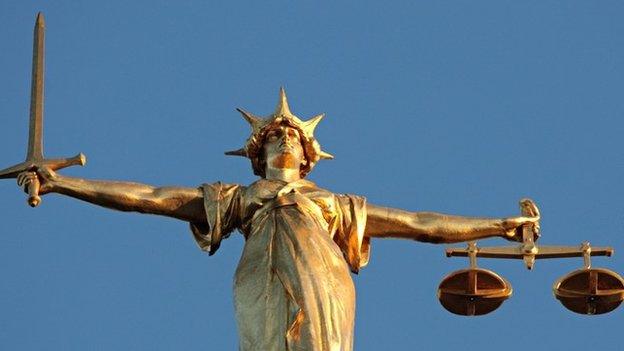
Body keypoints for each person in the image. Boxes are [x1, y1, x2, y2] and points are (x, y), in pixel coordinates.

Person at [17, 88, 538, 351]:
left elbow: (418, 222)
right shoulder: (240, 198)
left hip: (323, 281)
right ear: (258, 152)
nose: (284, 138)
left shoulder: (333, 205)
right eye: (274, 136)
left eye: (292, 135)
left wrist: (496, 225)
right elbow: (151, 196)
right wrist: (64, 183)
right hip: (261, 280)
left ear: (309, 155)